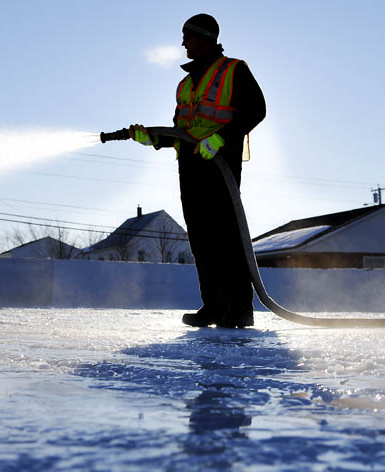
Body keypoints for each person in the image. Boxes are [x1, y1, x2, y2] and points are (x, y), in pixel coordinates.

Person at [129, 13, 266, 328]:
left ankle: (237, 310)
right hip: (190, 168)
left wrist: (220, 138)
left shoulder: (234, 70)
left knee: (227, 238)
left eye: (186, 37)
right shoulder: (186, 83)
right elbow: (181, 130)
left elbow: (256, 110)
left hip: (220, 166)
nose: (182, 44)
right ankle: (213, 306)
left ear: (203, 37)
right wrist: (149, 137)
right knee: (202, 240)